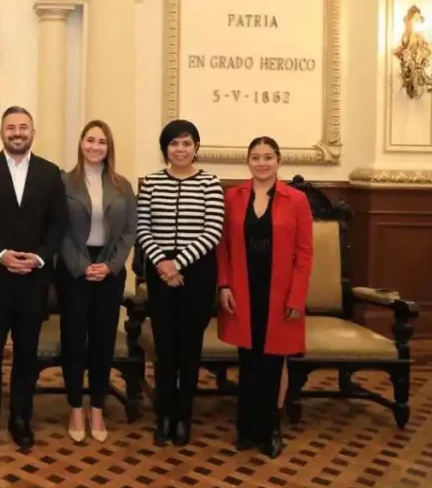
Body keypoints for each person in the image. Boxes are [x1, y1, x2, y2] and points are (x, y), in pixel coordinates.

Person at [0, 106, 67, 449]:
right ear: (1, 133)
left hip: (33, 280)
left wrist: (38, 257)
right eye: (11, 128)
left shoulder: (51, 174)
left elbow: (58, 223)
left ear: (32, 132)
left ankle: (22, 418)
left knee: (27, 354)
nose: (17, 133)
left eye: (24, 127)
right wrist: (0, 255)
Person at [217, 136, 313, 459]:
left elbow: (305, 254)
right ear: (248, 162)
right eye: (255, 157)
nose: (261, 162)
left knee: (273, 362)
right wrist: (224, 285)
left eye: (268, 157)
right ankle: (246, 429)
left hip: (280, 293)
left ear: (278, 161)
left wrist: (297, 298)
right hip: (243, 291)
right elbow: (223, 248)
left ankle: (271, 428)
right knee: (248, 361)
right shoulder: (233, 196)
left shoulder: (296, 199)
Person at [136, 119, 224, 447]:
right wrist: (161, 262)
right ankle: (164, 417)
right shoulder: (153, 183)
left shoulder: (210, 183)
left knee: (189, 349)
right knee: (165, 349)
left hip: (196, 273)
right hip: (160, 274)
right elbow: (142, 227)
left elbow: (212, 231)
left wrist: (178, 263)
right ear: (165, 149)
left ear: (196, 148)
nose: (181, 149)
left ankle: (183, 416)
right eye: (174, 144)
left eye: (187, 143)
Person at [57, 120, 137, 444]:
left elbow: (130, 230)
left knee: (103, 342)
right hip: (74, 269)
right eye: (89, 140)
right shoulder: (64, 182)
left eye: (101, 142)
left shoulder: (122, 185)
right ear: (81, 144)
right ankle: (75, 406)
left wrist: (110, 265)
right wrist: (81, 266)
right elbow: (58, 229)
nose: (95, 146)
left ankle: (97, 408)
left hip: (109, 271)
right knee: (75, 340)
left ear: (109, 147)